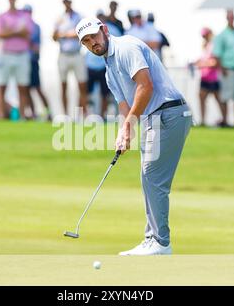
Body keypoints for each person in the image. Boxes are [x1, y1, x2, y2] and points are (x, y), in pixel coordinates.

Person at [76, 17, 192, 255]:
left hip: (169, 113)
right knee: (147, 177)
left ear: (105, 30)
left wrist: (130, 123)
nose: (92, 43)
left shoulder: (127, 46)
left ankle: (161, 242)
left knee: (152, 177)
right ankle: (153, 239)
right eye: (86, 41)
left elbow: (145, 86)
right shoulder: (109, 69)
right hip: (154, 118)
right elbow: (123, 104)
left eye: (94, 37)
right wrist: (123, 131)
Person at [0, 0, 33, 120]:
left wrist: (9, 31)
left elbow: (27, 33)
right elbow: (0, 34)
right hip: (6, 54)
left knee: (22, 86)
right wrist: (17, 31)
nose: (12, 0)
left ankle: (22, 115)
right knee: (2, 86)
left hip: (22, 55)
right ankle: (0, 115)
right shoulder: (2, 16)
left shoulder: (24, 16)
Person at [53, 0, 88, 117]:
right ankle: (65, 115)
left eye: (68, 2)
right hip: (63, 55)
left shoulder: (79, 17)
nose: (66, 4)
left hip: (77, 54)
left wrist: (65, 34)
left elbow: (80, 34)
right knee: (63, 85)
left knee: (82, 86)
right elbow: (54, 37)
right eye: (65, 2)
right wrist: (61, 33)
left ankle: (82, 115)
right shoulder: (59, 18)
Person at [85, 10, 121, 118]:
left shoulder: (110, 28)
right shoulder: (89, 30)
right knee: (86, 92)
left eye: (101, 16)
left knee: (104, 93)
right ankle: (85, 115)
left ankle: (101, 115)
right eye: (98, 16)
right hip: (90, 65)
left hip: (104, 65)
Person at [23, 4, 51, 121]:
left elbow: (35, 47)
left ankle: (48, 112)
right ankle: (33, 113)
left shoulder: (35, 27)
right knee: (27, 89)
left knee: (37, 88)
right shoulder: (22, 26)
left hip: (33, 61)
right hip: (24, 61)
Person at [196, 27, 221, 126]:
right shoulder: (205, 46)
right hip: (204, 77)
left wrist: (201, 64)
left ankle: (224, 119)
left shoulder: (214, 45)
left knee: (219, 100)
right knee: (201, 99)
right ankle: (202, 121)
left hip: (213, 78)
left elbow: (215, 62)